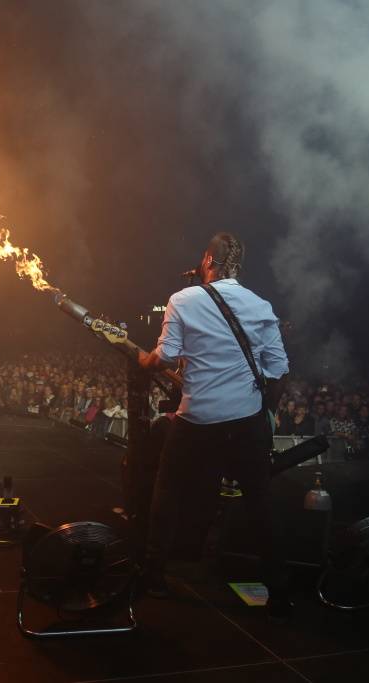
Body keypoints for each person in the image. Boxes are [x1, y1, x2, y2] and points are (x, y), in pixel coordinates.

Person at [137, 232, 291, 619]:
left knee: (168, 492)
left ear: (208, 261)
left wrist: (146, 361)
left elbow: (167, 356)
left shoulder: (182, 299)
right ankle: (280, 591)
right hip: (246, 422)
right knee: (260, 505)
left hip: (198, 419)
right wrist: (263, 407)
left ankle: (153, 575)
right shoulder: (260, 305)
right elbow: (278, 369)